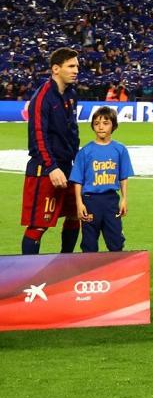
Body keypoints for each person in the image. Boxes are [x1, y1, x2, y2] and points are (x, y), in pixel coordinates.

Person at [22, 47, 79, 256]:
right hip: (45, 168)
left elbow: (73, 130)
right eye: (71, 66)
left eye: (77, 66)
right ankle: (28, 276)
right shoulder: (42, 97)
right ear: (56, 69)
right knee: (39, 224)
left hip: (68, 166)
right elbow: (38, 135)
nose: (76, 70)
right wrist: (52, 167)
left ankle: (65, 262)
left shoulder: (72, 94)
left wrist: (78, 162)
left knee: (75, 215)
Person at [70, 106, 132, 253]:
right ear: (92, 126)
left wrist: (124, 199)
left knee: (116, 242)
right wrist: (79, 203)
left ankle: (116, 273)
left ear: (114, 125)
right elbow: (78, 180)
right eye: (97, 123)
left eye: (105, 123)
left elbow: (123, 176)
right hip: (90, 201)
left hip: (111, 201)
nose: (101, 127)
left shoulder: (120, 150)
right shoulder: (85, 152)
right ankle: (90, 274)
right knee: (89, 244)